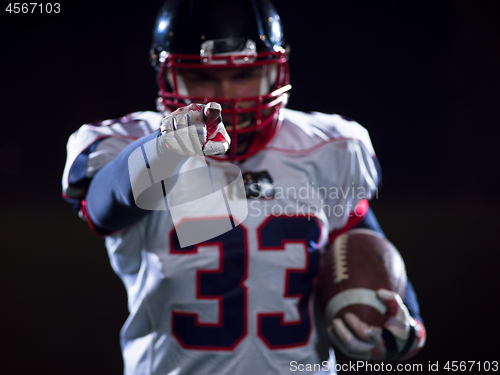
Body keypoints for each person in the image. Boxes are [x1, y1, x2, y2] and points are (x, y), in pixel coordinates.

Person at [62, 0, 426, 373]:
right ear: (166, 75)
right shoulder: (134, 146)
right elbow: (103, 206)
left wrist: (404, 316)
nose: (226, 93)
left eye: (244, 75)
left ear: (275, 71)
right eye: (204, 77)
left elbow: (361, 235)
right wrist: (164, 150)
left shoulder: (327, 148)